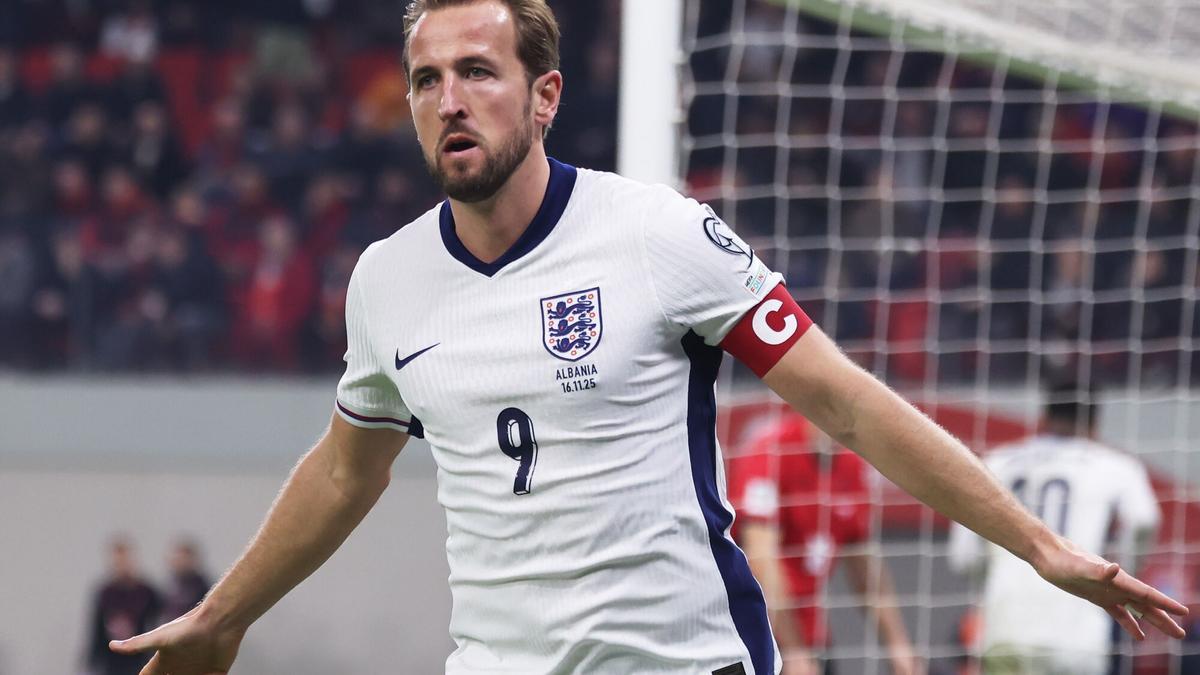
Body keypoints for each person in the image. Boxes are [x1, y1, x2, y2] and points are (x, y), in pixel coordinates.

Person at [110, 2, 1188, 674]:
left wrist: (1039, 546)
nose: (449, 99)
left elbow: (850, 403)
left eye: (478, 72)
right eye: (429, 78)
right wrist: (221, 616)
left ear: (546, 96)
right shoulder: (389, 281)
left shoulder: (660, 236)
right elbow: (345, 474)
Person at [948, 381, 1161, 675]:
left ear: (1044, 418)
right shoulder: (1115, 465)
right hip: (1077, 634)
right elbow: (1143, 519)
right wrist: (1122, 578)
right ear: (1094, 424)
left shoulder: (999, 461)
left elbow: (963, 558)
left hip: (1004, 627)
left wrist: (997, 573)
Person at [728, 414, 919, 675]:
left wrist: (898, 645)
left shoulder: (853, 467)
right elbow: (760, 559)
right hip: (752, 636)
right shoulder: (771, 452)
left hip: (813, 639)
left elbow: (864, 569)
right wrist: (793, 650)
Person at [86, 537, 162, 675]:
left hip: (139, 659)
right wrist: (93, 661)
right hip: (112, 662)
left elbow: (159, 623)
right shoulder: (105, 593)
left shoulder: (146, 592)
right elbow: (97, 630)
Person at [160, 538, 212, 624]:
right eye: (178, 558)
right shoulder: (169, 585)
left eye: (183, 558)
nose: (180, 562)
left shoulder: (202, 586)